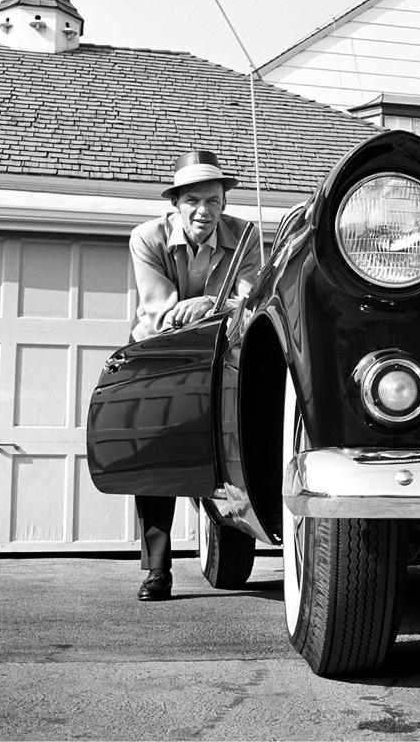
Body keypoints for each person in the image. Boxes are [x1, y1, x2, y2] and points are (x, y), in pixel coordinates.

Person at [129, 149, 261, 601]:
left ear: (225, 202)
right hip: (162, 354)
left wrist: (209, 304)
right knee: (158, 457)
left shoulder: (247, 236)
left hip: (223, 351)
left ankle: (237, 526)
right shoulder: (146, 238)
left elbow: (249, 301)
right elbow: (159, 310)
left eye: (214, 201)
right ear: (176, 203)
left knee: (230, 444)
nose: (204, 211)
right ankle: (157, 569)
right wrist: (209, 306)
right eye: (193, 202)